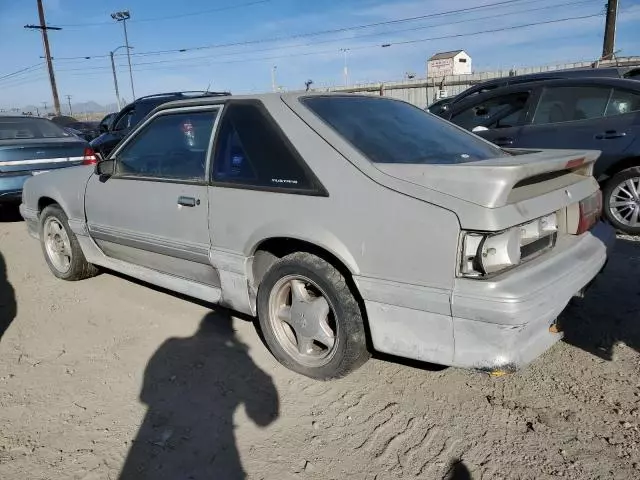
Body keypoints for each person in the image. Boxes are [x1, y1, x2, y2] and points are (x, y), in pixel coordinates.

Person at [119, 312, 279, 479]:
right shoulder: (239, 358)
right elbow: (263, 419)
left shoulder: (171, 344)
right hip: (218, 446)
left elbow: (146, 395)